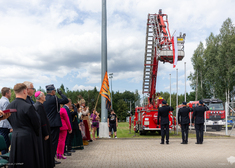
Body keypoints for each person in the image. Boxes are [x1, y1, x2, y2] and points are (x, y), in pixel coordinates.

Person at [6, 83, 41, 168]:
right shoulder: (28, 106)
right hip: (28, 137)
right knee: (28, 161)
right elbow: (36, 123)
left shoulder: (9, 106)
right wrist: (35, 134)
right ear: (25, 91)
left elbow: (9, 119)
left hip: (15, 136)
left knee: (16, 161)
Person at [43, 84, 69, 165]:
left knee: (47, 142)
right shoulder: (54, 98)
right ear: (53, 91)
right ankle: (52, 159)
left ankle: (46, 158)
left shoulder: (44, 98)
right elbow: (65, 100)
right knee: (54, 142)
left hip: (46, 124)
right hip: (54, 124)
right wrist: (61, 93)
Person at [34, 91, 54, 168]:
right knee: (45, 149)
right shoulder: (39, 106)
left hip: (42, 131)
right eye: (44, 95)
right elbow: (42, 121)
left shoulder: (38, 105)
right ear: (41, 97)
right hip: (43, 132)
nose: (45, 96)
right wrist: (46, 133)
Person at [0, 87, 13, 154]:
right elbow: (6, 116)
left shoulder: (0, 100)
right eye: (10, 92)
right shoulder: (6, 102)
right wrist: (10, 127)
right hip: (5, 126)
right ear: (7, 93)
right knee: (5, 145)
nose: (11, 94)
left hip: (1, 125)